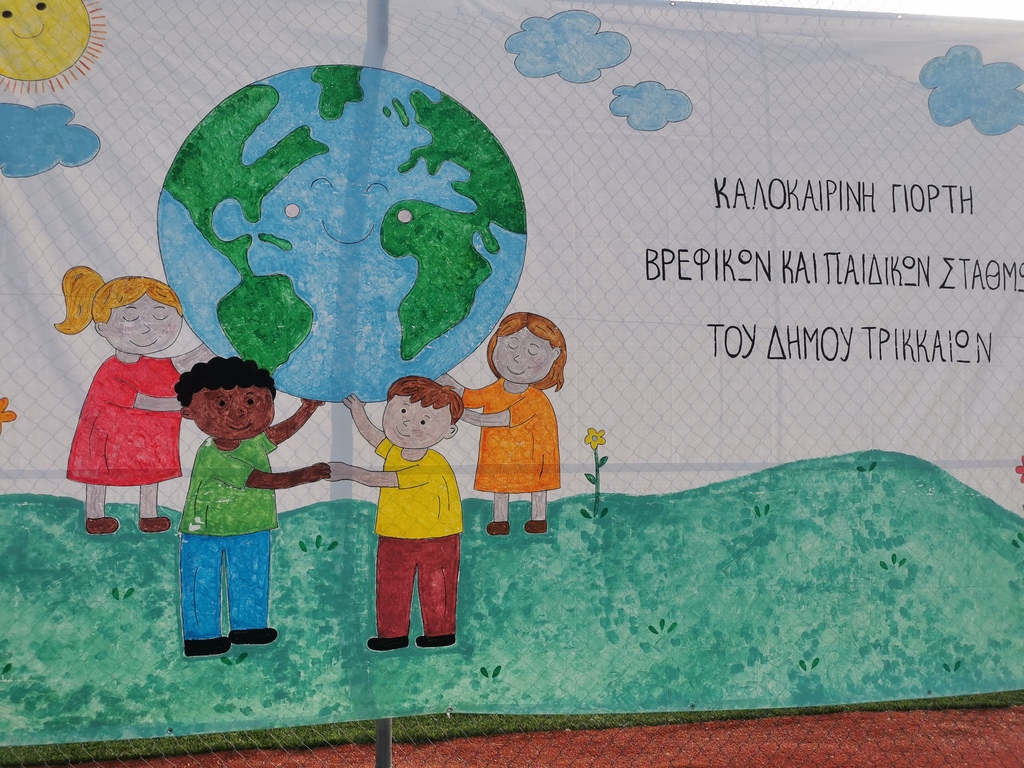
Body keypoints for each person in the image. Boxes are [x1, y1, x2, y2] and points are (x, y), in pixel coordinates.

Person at [174, 356, 330, 657]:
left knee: (250, 576)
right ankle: (201, 637)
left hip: (253, 525)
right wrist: (304, 475)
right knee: (201, 583)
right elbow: (260, 480)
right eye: (222, 403)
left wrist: (306, 409)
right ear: (189, 412)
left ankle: (249, 627)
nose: (240, 412)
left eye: (250, 400)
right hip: (204, 531)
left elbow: (278, 433)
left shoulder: (252, 440)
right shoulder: (213, 454)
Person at [55, 266, 212, 535]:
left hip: (149, 436)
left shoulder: (157, 365)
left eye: (160, 314)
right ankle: (95, 514)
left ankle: (148, 514)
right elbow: (140, 400)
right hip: (109, 436)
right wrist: (184, 405)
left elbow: (186, 361)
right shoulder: (112, 369)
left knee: (151, 470)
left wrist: (212, 345)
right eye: (130, 316)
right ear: (102, 328)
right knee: (100, 473)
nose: (147, 326)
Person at [331, 376, 463, 651]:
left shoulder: (431, 465)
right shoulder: (396, 451)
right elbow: (374, 437)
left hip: (437, 537)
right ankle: (391, 635)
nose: (408, 424)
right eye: (402, 411)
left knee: (437, 586)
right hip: (394, 534)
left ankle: (440, 633)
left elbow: (379, 479)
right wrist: (358, 411)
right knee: (392, 585)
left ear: (448, 431)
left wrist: (347, 472)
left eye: (424, 421)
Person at [439, 312, 566, 535]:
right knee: (500, 483)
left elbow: (491, 419)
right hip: (500, 451)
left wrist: (458, 413)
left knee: (537, 485)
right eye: (512, 345)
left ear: (554, 355)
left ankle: (538, 519)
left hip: (532, 453)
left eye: (533, 350)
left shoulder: (535, 400)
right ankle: (500, 520)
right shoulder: (497, 388)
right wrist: (442, 376)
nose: (518, 358)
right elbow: (470, 396)